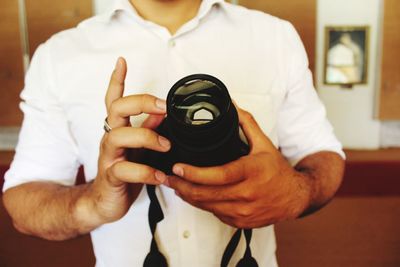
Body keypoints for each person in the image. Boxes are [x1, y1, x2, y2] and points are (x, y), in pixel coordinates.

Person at [2, 0, 345, 266]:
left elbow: (322, 152)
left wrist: (298, 192)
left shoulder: (275, 38)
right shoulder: (59, 56)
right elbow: (22, 199)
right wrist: (94, 203)